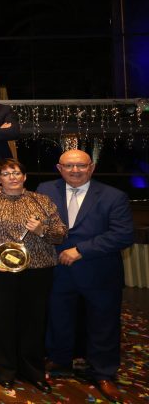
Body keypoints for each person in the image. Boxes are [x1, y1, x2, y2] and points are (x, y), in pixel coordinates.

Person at [38, 150, 134, 403]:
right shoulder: (44, 190)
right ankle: (59, 361)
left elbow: (123, 235)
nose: (75, 170)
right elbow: (26, 212)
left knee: (103, 325)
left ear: (91, 167)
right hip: (58, 271)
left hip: (99, 273)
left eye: (81, 165)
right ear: (59, 168)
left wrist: (81, 250)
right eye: (69, 166)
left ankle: (103, 372)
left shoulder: (114, 196)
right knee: (58, 319)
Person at [0, 158, 67, 393]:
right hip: (0, 269)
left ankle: (33, 371)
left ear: (24, 177)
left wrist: (41, 230)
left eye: (16, 173)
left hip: (37, 270)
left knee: (34, 321)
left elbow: (60, 234)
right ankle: (3, 370)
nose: (12, 177)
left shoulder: (42, 201)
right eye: (5, 174)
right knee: (1, 320)